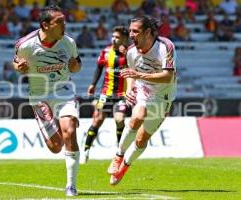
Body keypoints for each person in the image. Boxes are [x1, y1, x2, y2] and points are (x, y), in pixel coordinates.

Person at [13, 5, 82, 196]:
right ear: (45, 25)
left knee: (69, 132)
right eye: (59, 21)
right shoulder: (25, 45)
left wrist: (74, 66)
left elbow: (77, 67)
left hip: (64, 91)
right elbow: (17, 64)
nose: (64, 24)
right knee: (55, 146)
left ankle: (71, 185)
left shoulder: (68, 43)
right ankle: (61, 130)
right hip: (39, 95)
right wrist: (20, 67)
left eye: (64, 20)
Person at [107, 15, 177, 185]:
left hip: (164, 96)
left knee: (141, 139)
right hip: (144, 90)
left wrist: (138, 75)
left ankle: (125, 166)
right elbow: (131, 73)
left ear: (147, 32)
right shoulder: (131, 51)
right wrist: (130, 89)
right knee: (137, 116)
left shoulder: (165, 47)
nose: (131, 34)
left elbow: (167, 77)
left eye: (135, 31)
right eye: (130, 30)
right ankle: (118, 155)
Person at [81, 26, 129, 164]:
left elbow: (136, 69)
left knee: (119, 120)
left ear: (124, 39)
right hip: (105, 94)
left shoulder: (131, 53)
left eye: (117, 37)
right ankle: (86, 151)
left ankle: (119, 153)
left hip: (121, 94)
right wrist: (93, 84)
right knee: (97, 120)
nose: (114, 39)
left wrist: (127, 55)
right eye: (113, 36)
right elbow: (99, 68)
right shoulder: (106, 52)